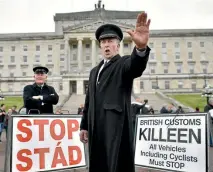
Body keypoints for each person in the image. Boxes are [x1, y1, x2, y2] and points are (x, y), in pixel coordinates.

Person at [80, 12, 151, 172]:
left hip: (115, 127)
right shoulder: (93, 71)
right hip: (95, 127)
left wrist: (140, 48)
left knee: (116, 165)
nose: (106, 45)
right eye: (103, 42)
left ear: (117, 45)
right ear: (100, 46)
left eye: (110, 41)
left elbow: (135, 66)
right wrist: (84, 125)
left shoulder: (123, 63)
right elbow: (89, 101)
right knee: (98, 163)